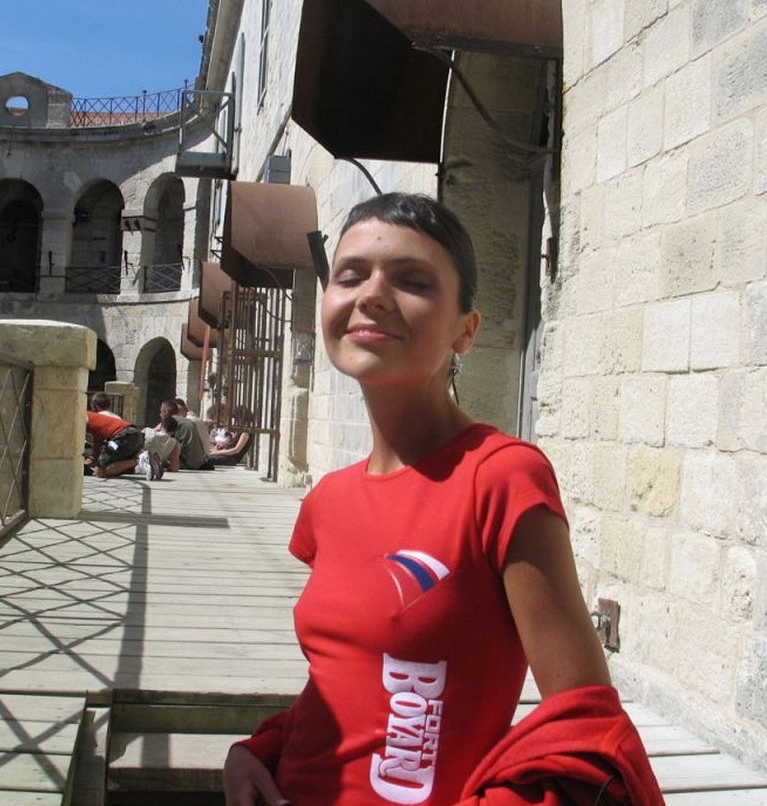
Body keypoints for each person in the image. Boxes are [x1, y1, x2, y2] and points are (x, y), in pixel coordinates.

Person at [223, 194, 663, 806]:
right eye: (350, 276)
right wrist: (262, 747)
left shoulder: (501, 479)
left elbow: (587, 733)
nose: (372, 295)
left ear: (466, 331)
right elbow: (350, 679)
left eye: (411, 280)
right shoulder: (327, 501)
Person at [84, 392, 143, 477]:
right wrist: (94, 458)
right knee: (119, 468)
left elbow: (98, 444)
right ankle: (140, 460)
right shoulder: (103, 417)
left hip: (123, 437)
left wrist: (94, 460)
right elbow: (99, 441)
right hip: (134, 435)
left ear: (94, 406)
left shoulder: (85, 417)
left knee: (101, 471)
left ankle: (141, 461)